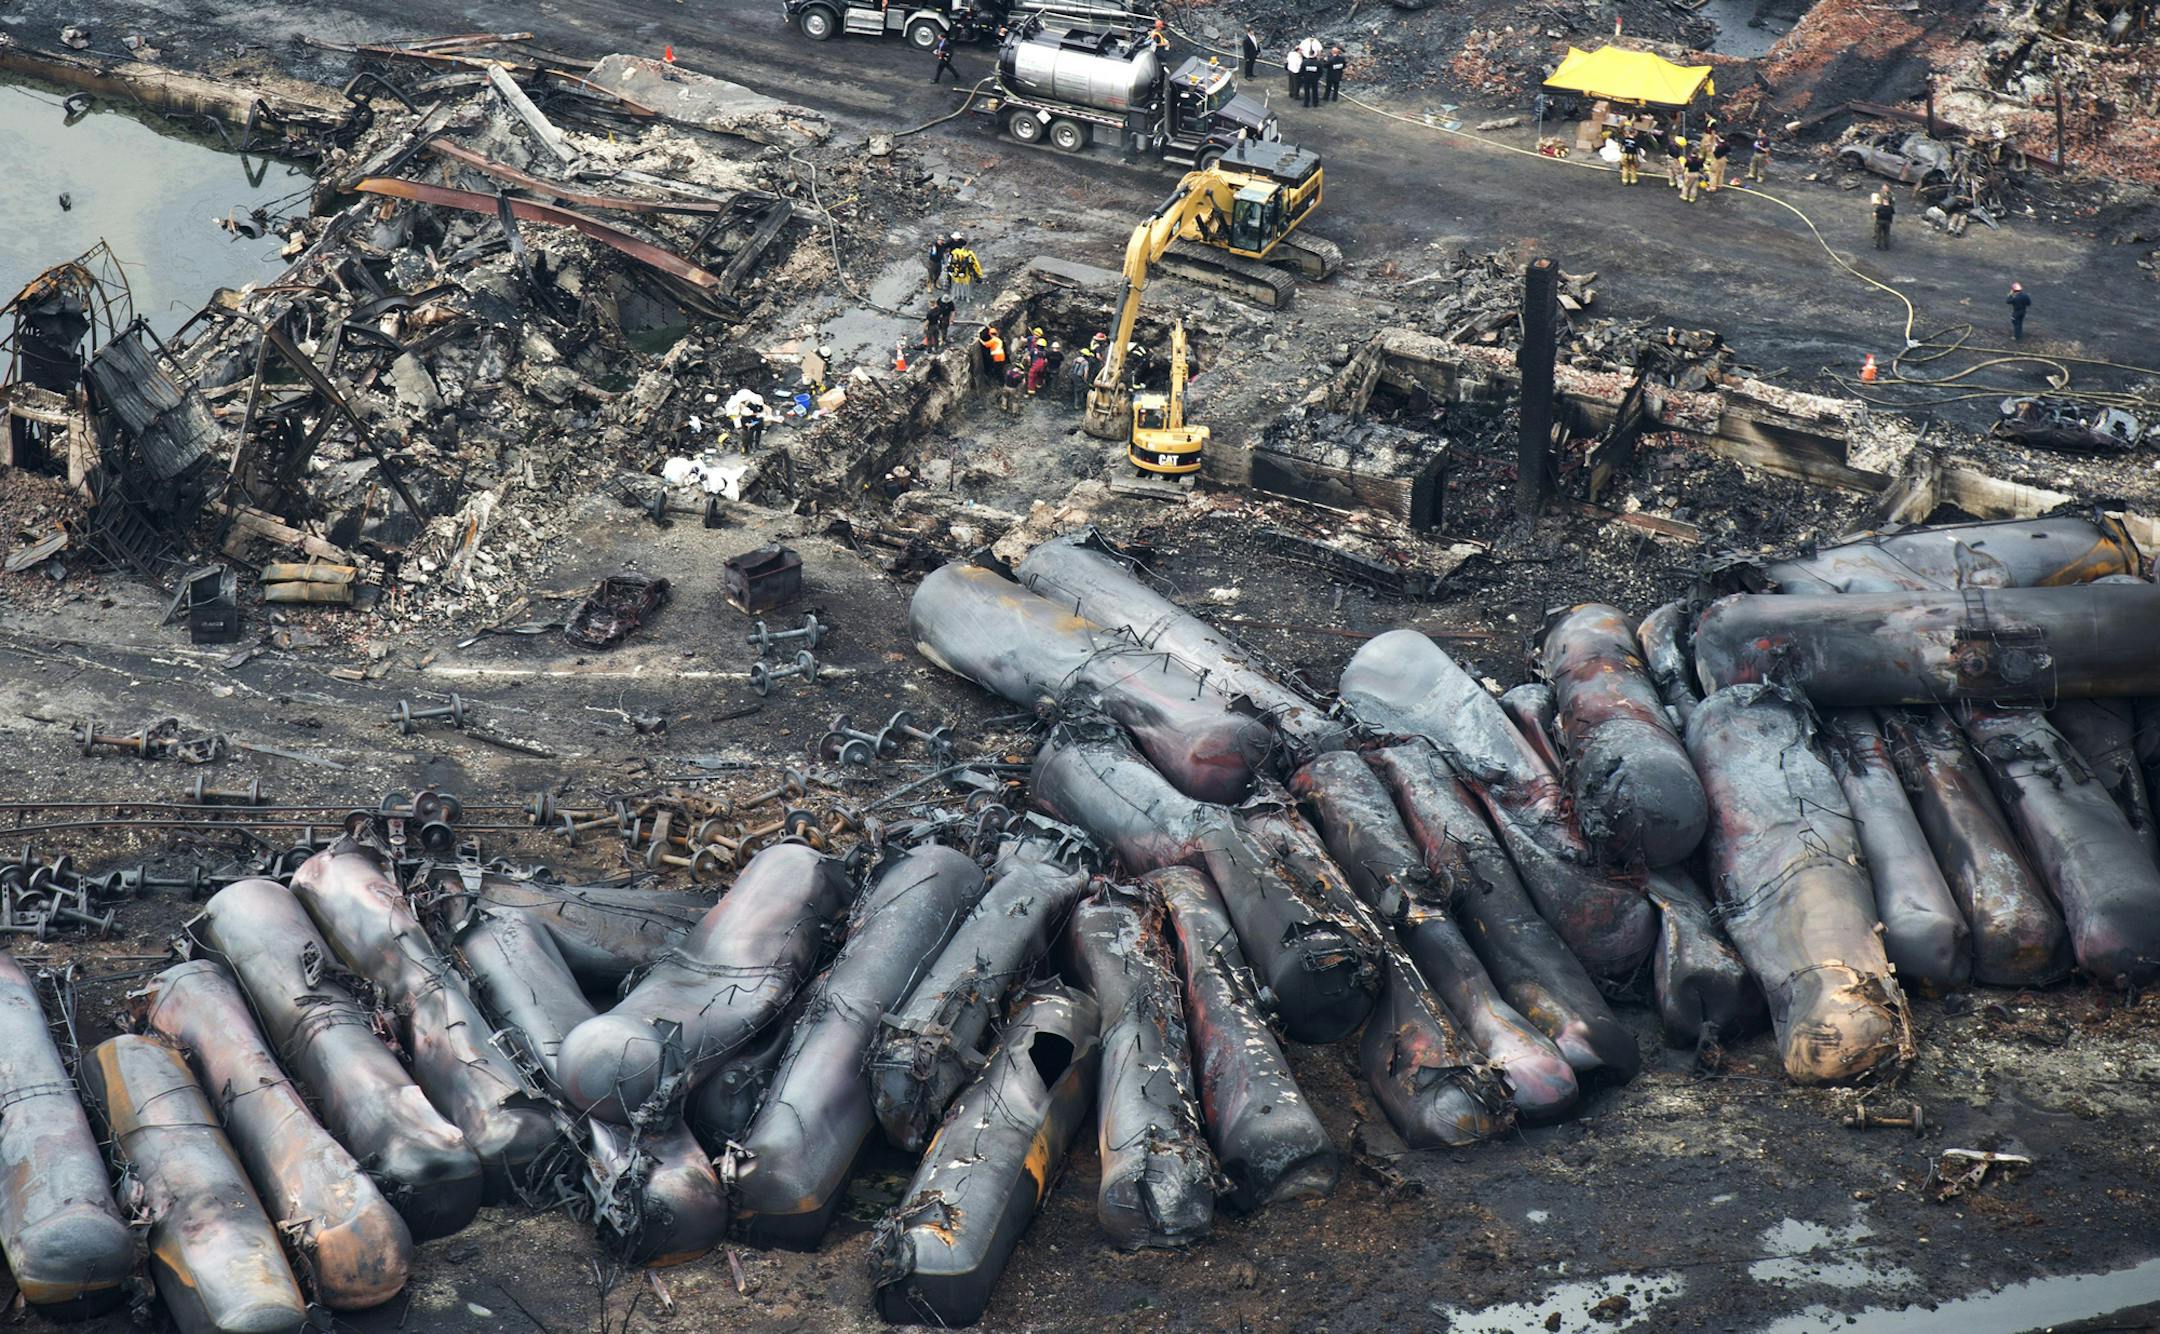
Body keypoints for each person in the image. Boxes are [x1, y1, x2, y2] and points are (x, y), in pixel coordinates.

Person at [947, 237, 985, 309]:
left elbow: (949, 263)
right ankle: (964, 296)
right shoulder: (958, 253)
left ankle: (958, 295)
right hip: (960, 272)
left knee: (959, 284)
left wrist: (950, 271)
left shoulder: (956, 253)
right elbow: (975, 264)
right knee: (963, 284)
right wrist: (979, 273)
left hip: (961, 273)